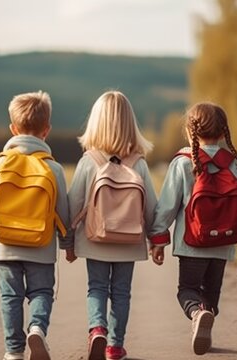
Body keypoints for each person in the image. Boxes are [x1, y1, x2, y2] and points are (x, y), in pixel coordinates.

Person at [148, 102, 237, 355]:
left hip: (191, 245)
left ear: (190, 132)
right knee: (211, 293)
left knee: (187, 290)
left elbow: (167, 205)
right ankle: (205, 316)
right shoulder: (235, 164)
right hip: (223, 245)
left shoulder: (183, 162)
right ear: (224, 133)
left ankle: (197, 314)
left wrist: (158, 238)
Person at [0, 91, 71, 360]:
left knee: (10, 297)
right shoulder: (54, 169)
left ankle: (14, 351)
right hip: (40, 246)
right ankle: (37, 327)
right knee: (41, 292)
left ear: (13, 129)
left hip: (3, 246)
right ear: (47, 130)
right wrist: (68, 243)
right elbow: (64, 214)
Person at [65, 90, 160, 360]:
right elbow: (151, 207)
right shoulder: (138, 164)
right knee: (122, 292)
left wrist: (68, 243)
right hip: (128, 240)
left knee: (96, 287)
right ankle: (115, 346)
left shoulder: (88, 162)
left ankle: (97, 329)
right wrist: (156, 240)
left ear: (95, 123)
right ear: (131, 125)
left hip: (94, 239)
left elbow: (73, 205)